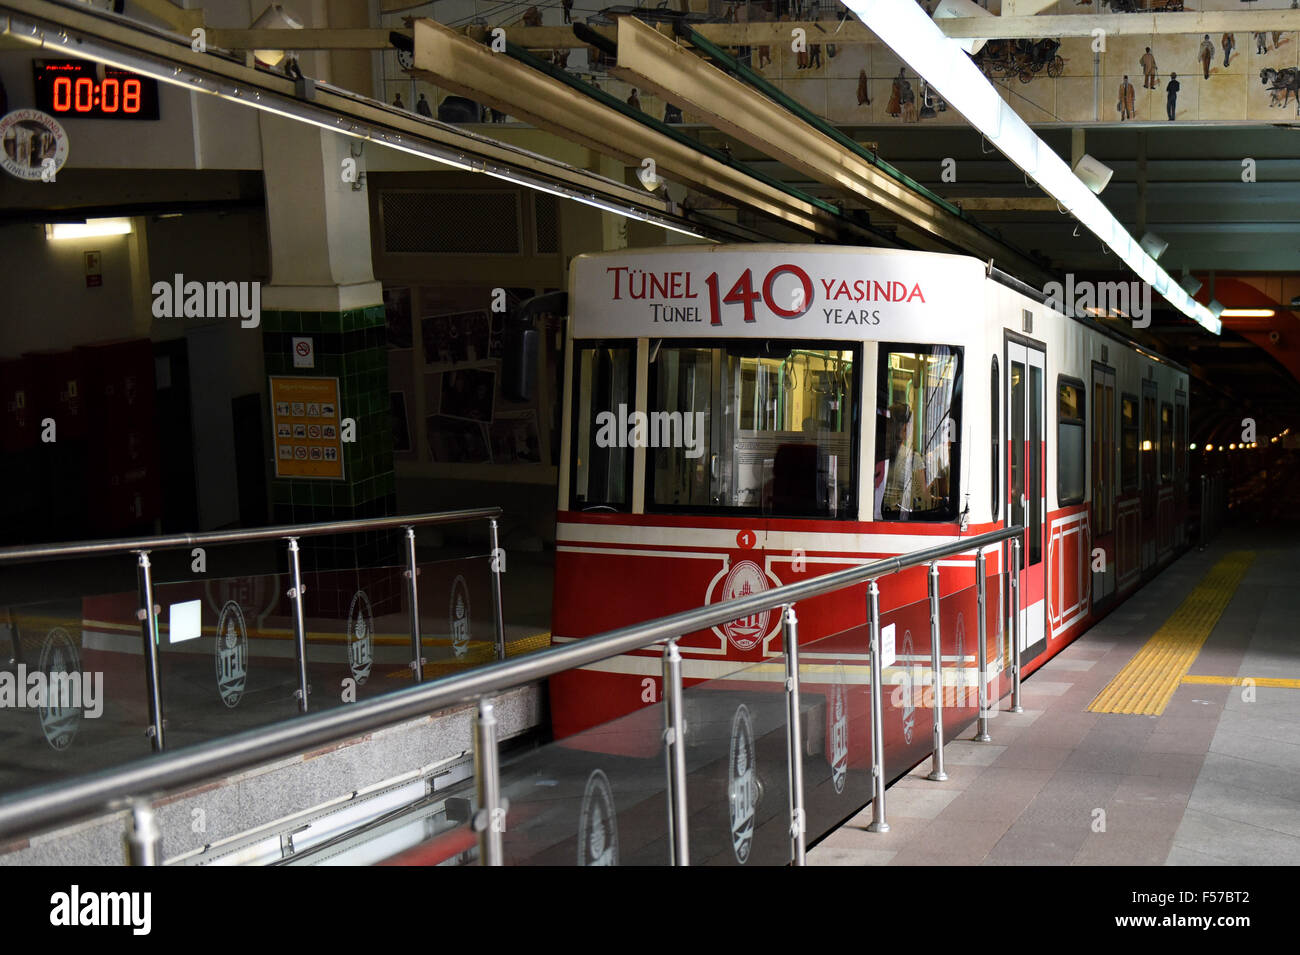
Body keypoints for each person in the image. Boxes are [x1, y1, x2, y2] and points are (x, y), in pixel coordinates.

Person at [878, 403, 931, 519]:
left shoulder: (877, 454)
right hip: (900, 519)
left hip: (878, 516)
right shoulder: (913, 458)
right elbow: (924, 498)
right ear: (905, 427)